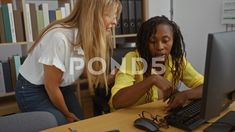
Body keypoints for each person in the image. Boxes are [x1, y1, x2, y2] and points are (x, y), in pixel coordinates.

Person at [15, 0, 122, 125]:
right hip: (33, 90)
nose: (115, 22)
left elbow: (81, 71)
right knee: (64, 124)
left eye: (115, 16)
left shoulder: (89, 36)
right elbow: (51, 87)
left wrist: (109, 77)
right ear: (92, 14)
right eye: (110, 16)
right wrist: (66, 114)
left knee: (80, 123)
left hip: (59, 86)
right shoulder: (59, 38)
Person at [109, 15, 204, 111]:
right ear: (145, 42)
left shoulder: (177, 60)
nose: (159, 47)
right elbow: (117, 102)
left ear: (173, 41)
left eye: (165, 41)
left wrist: (186, 95)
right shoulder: (132, 59)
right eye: (152, 41)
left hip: (156, 116)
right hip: (125, 119)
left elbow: (206, 87)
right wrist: (152, 80)